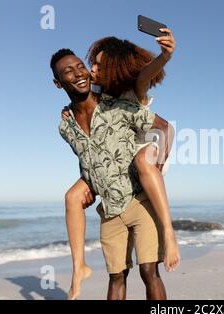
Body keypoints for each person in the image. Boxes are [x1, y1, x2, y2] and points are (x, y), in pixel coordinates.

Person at [61, 29, 180, 300]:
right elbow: (88, 144)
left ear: (114, 67)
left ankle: (169, 232)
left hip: (148, 152)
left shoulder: (132, 89)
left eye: (98, 66)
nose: (91, 69)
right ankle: (78, 267)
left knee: (142, 163)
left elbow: (148, 76)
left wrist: (165, 55)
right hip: (116, 169)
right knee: (73, 196)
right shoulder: (99, 96)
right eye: (92, 63)